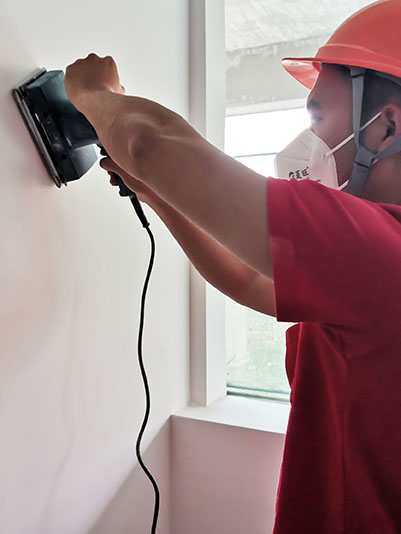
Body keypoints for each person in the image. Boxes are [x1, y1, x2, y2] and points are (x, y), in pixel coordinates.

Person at [64, 1, 401, 532]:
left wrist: (92, 94)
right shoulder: (368, 259)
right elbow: (251, 281)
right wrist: (159, 195)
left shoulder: (378, 248)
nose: (307, 137)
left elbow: (150, 143)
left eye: (317, 116)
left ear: (386, 126)